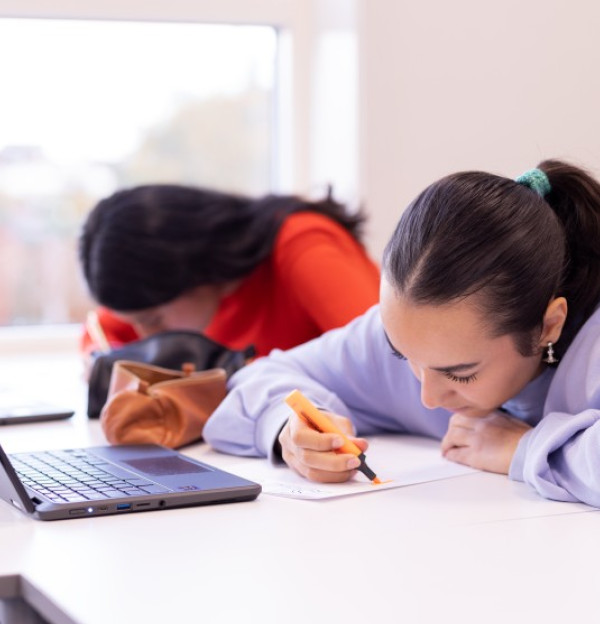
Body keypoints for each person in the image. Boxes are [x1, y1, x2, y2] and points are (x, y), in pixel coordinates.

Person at [203, 159, 600, 508]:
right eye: (402, 356)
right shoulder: (414, 332)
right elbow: (260, 377)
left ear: (549, 325)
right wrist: (294, 428)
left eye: (460, 373)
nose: (428, 398)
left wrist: (524, 449)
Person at [79, 185, 380, 359]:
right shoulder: (159, 294)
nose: (147, 337)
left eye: (153, 320)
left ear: (191, 270)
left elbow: (385, 361)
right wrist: (101, 360)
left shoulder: (303, 244)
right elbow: (101, 332)